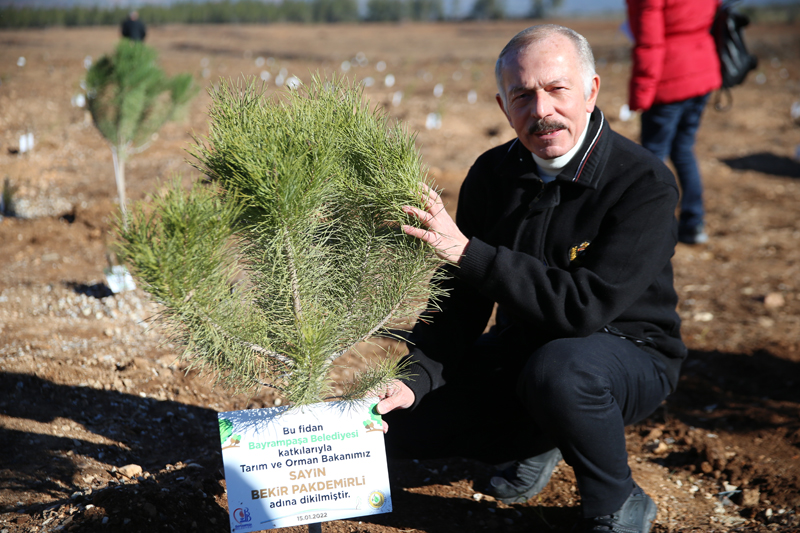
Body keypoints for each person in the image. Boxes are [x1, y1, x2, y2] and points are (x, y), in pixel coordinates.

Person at [375, 24, 687, 533]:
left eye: (556, 89)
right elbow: (460, 304)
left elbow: (584, 308)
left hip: (626, 355)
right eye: (522, 95)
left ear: (590, 92)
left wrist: (468, 252)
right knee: (399, 428)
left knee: (560, 373)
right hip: (523, 355)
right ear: (504, 107)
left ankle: (616, 502)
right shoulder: (492, 174)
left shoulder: (642, 182)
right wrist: (415, 379)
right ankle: (539, 440)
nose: (541, 109)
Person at [626, 0, 721, 244]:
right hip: (703, 69)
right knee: (683, 149)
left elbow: (650, 42)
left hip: (670, 77)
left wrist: (641, 94)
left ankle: (648, 228)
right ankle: (693, 223)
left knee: (652, 157)